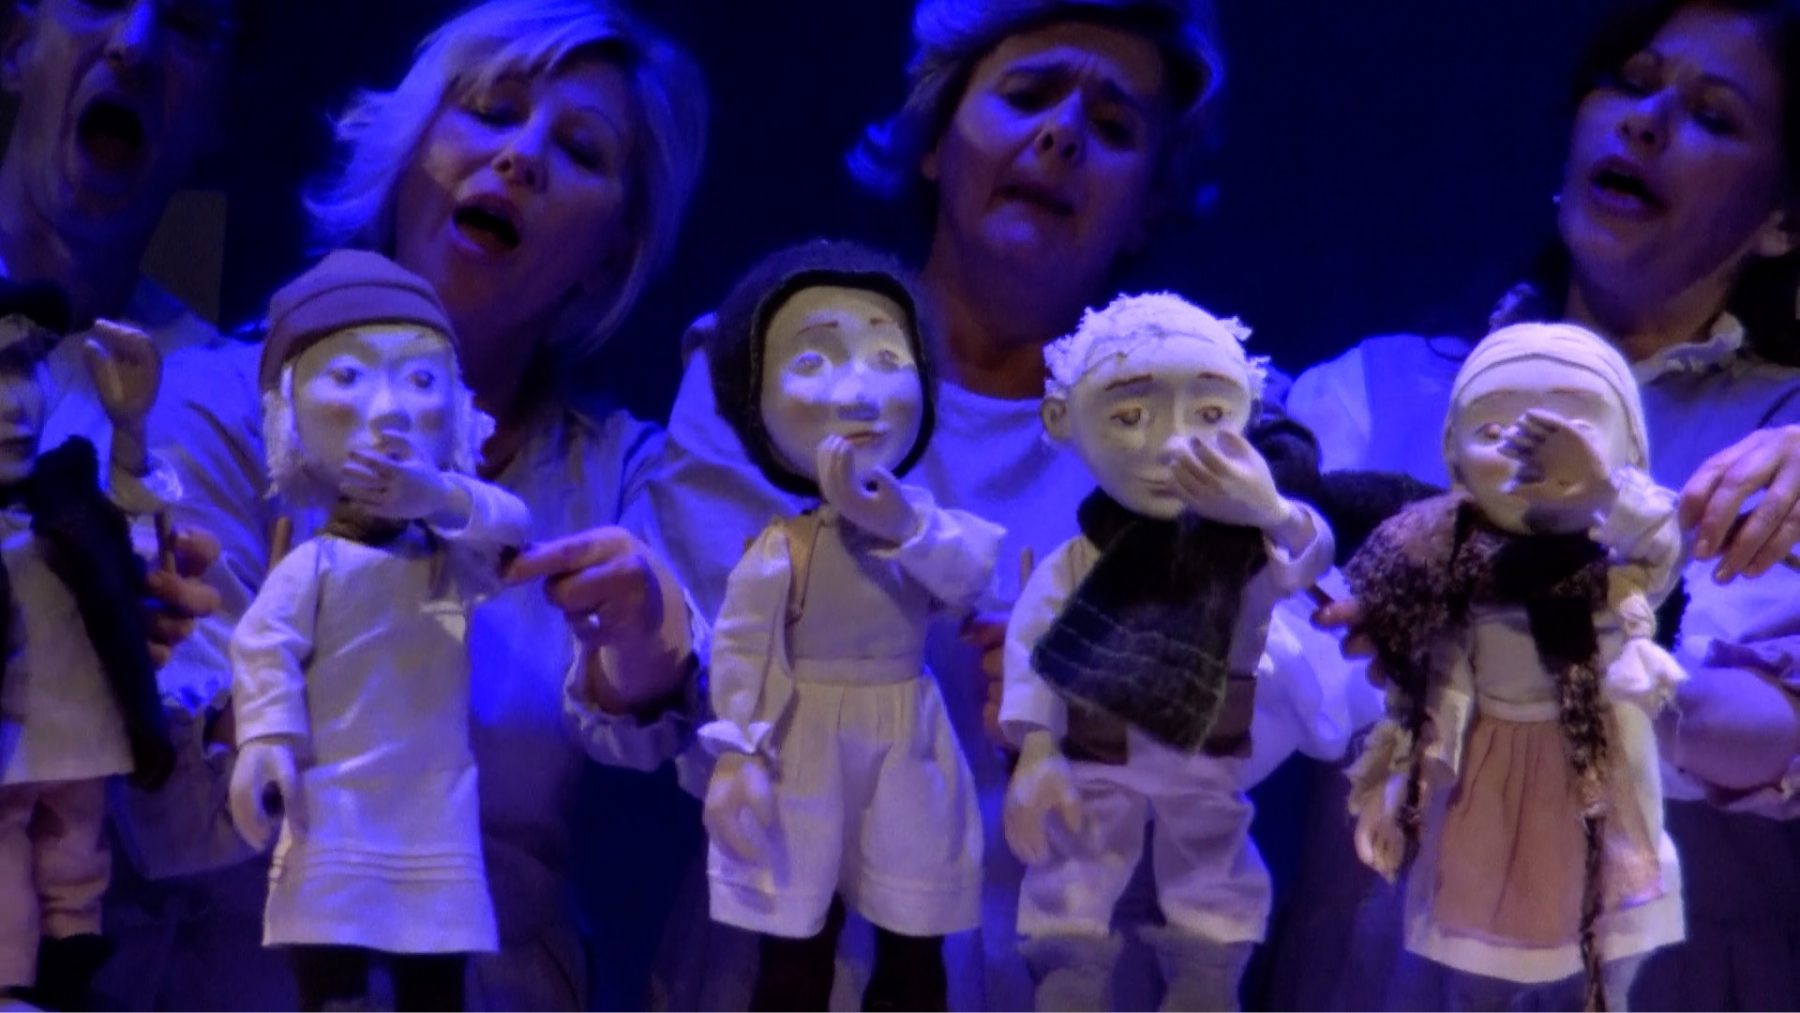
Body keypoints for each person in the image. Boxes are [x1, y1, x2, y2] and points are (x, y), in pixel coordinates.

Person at [638, 1, 1363, 1007]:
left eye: (1113, 126)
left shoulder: (1227, 422)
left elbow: (1311, 692)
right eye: (1028, 94)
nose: (1061, 134)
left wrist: (1115, 685)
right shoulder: (771, 367)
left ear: (1150, 199)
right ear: (936, 140)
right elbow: (690, 692)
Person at [1277, 1, 1800, 1007]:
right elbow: (1274, 686)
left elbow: (1775, 729)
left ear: (1785, 220)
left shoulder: (1781, 449)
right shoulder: (1367, 396)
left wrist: (1589, 667)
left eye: (1713, 116)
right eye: (1631, 81)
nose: (1646, 120)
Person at [299, 0, 708, 1006]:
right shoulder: (223, 410)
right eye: (491, 110)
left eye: (579, 149)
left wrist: (647, 650)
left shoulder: (625, 476)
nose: (520, 157)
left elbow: (676, 695)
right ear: (410, 147)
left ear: (612, 251)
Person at [0, 1, 282, 1007]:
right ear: (13, 38)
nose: (137, 41)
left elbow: (199, 827)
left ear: (221, 109)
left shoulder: (237, 411)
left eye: (197, 20)